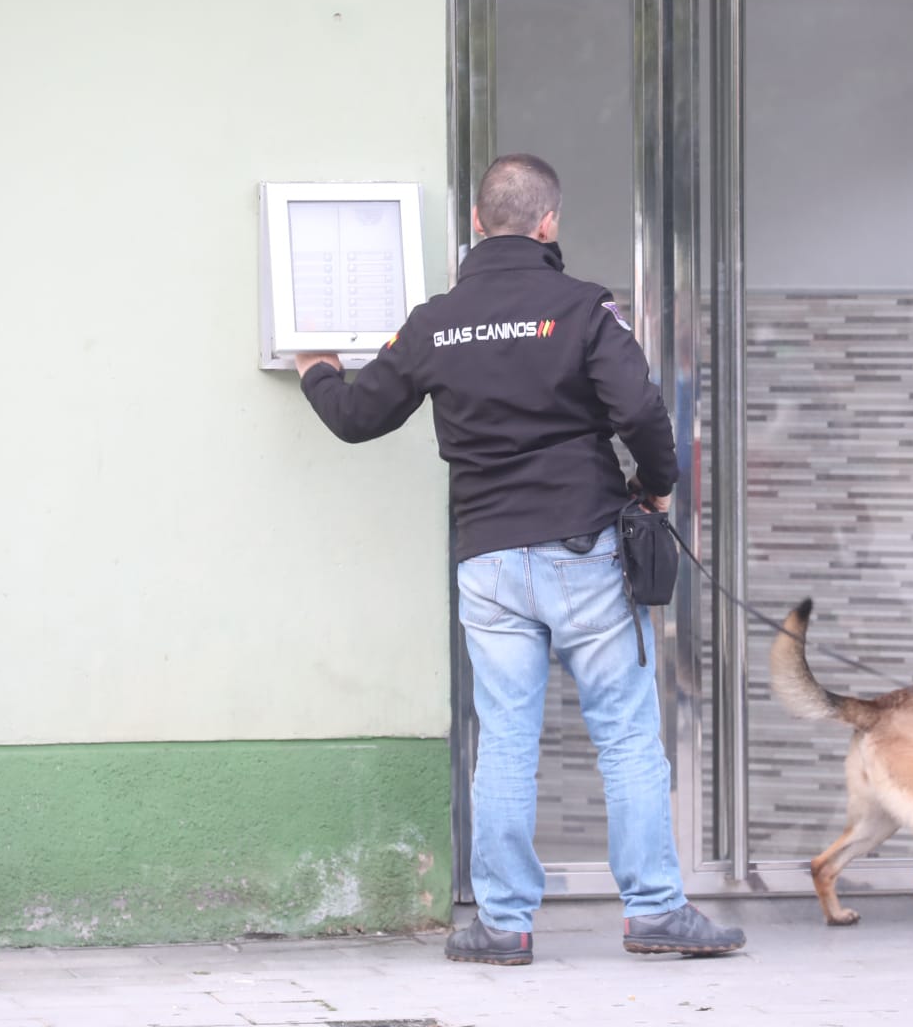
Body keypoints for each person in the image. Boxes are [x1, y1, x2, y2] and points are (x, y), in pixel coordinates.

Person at [295, 153, 745, 966]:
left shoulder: (436, 321)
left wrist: (318, 372)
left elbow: (359, 417)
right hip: (583, 551)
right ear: (549, 224)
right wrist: (656, 487)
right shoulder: (581, 309)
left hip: (489, 563)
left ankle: (503, 925)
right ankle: (655, 912)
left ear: (476, 221)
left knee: (504, 741)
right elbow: (640, 407)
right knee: (626, 739)